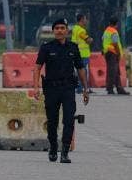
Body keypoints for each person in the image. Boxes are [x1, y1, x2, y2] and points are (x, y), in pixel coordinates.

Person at [32, 18, 89, 164]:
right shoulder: (46, 48)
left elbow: (80, 68)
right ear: (53, 31)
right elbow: (38, 67)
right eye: (56, 28)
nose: (59, 30)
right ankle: (53, 146)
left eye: (62, 28)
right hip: (51, 89)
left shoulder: (73, 48)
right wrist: (36, 87)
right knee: (52, 122)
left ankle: (64, 152)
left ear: (67, 31)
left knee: (69, 120)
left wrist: (85, 89)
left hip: (68, 88)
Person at [100, 17, 129, 95]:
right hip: (113, 53)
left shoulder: (106, 31)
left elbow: (103, 39)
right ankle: (110, 88)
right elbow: (115, 43)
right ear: (116, 24)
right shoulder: (114, 31)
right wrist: (119, 52)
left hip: (107, 52)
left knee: (116, 71)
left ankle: (119, 88)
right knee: (112, 71)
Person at [71, 14, 93, 93]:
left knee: (79, 70)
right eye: (85, 19)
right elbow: (87, 40)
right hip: (83, 54)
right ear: (82, 20)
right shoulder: (81, 30)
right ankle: (83, 88)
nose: (86, 21)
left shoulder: (75, 28)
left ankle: (80, 88)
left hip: (76, 53)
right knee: (83, 71)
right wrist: (91, 39)